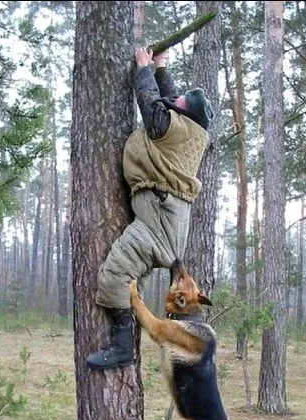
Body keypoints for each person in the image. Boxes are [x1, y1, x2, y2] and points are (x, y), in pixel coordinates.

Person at [86, 47, 214, 370]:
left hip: (157, 223)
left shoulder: (178, 129)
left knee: (115, 274)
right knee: (132, 283)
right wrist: (161, 68)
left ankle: (121, 346)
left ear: (187, 116)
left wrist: (143, 70)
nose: (177, 101)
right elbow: (171, 100)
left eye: (182, 104)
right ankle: (128, 339)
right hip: (161, 218)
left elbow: (156, 111)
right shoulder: (190, 130)